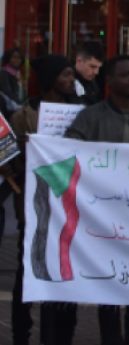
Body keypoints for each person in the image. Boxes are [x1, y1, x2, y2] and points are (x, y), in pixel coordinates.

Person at [64, 55, 129, 345]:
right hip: (107, 216)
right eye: (125, 75)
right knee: (109, 285)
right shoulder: (90, 116)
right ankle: (112, 339)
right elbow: (67, 149)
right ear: (108, 82)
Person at [1, 55, 78, 345]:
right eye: (66, 75)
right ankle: (22, 334)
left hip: (68, 209)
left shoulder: (82, 113)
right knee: (26, 275)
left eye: (73, 75)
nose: (72, 80)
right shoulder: (24, 115)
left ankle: (63, 334)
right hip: (33, 212)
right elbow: (10, 159)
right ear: (50, 79)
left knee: (66, 273)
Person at [74, 40, 106, 105]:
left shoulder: (94, 84)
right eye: (92, 67)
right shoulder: (66, 83)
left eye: (98, 68)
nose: (96, 72)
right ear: (79, 61)